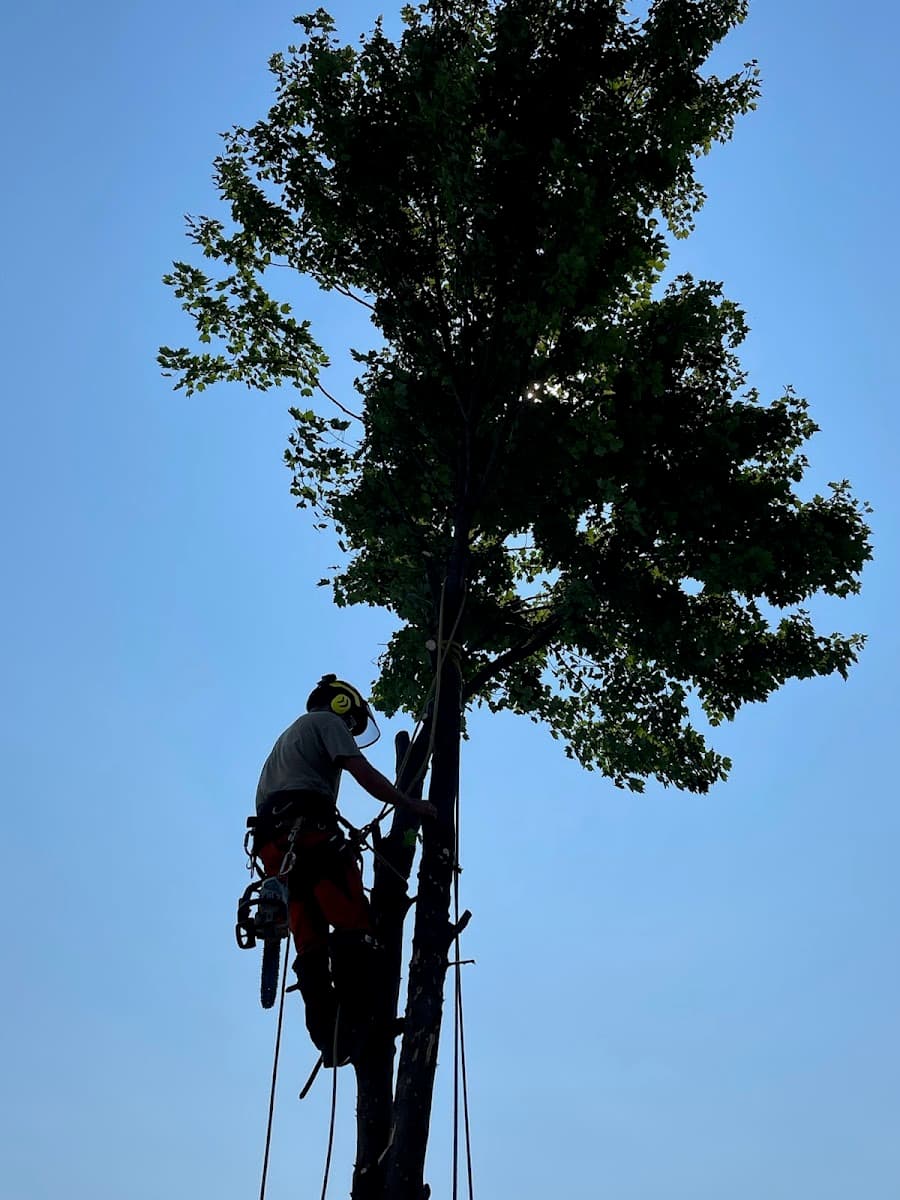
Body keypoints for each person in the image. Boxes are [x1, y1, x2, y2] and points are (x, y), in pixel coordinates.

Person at [253, 673, 434, 1064]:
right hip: (309, 836)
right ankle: (355, 1021)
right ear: (341, 705)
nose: (350, 729)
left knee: (311, 941)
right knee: (354, 926)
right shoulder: (327, 722)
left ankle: (328, 1037)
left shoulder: (288, 740)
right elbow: (361, 771)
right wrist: (408, 803)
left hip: (275, 848)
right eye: (351, 721)